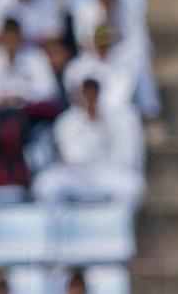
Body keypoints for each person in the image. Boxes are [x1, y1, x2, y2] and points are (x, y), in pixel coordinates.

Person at [32, 78, 144, 207]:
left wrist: (97, 124)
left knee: (133, 186)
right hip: (75, 177)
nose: (89, 97)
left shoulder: (116, 119)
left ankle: (116, 223)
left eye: (92, 93)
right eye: (86, 93)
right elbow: (70, 157)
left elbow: (123, 155)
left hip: (105, 174)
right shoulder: (67, 121)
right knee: (45, 185)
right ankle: (59, 223)